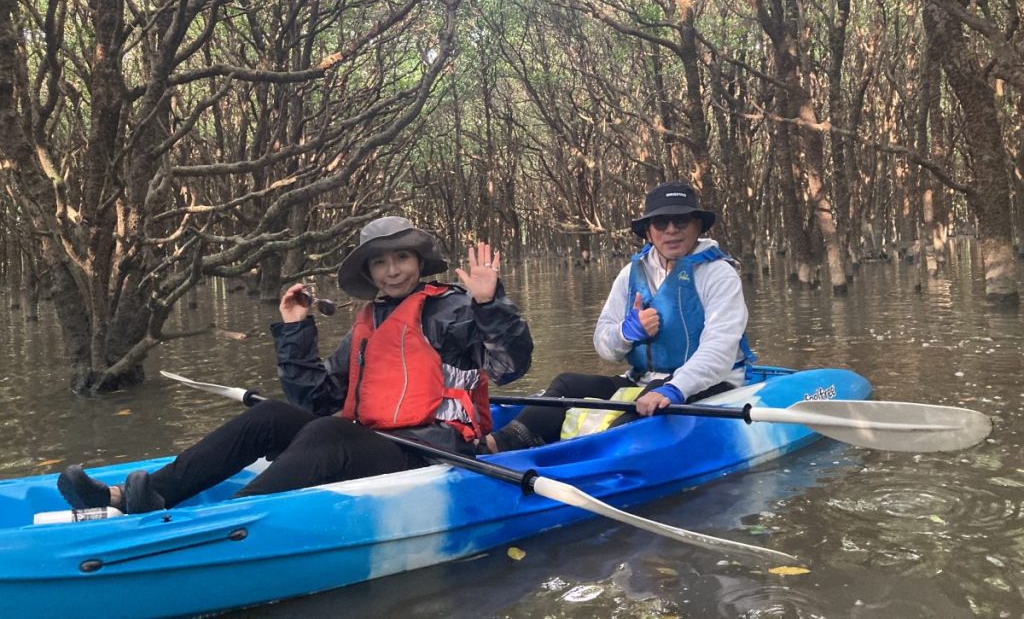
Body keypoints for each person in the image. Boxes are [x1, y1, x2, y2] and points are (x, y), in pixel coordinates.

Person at [58, 216, 533, 513]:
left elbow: (509, 366)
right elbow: (319, 400)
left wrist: (490, 303)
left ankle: (229, 520)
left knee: (325, 435)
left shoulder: (450, 310)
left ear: (418, 260)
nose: (393, 270)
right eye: (381, 262)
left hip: (430, 450)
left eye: (402, 257)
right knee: (270, 416)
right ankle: (141, 496)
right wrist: (295, 331)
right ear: (369, 273)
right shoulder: (369, 324)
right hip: (370, 442)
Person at [482, 182, 755, 452]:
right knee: (567, 383)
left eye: (681, 221)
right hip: (644, 380)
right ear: (649, 232)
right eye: (661, 223)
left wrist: (675, 388)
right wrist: (627, 333)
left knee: (649, 404)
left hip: (708, 383)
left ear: (697, 226)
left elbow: (720, 349)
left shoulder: (718, 273)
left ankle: (586, 458)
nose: (671, 230)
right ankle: (497, 445)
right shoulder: (631, 274)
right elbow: (604, 346)